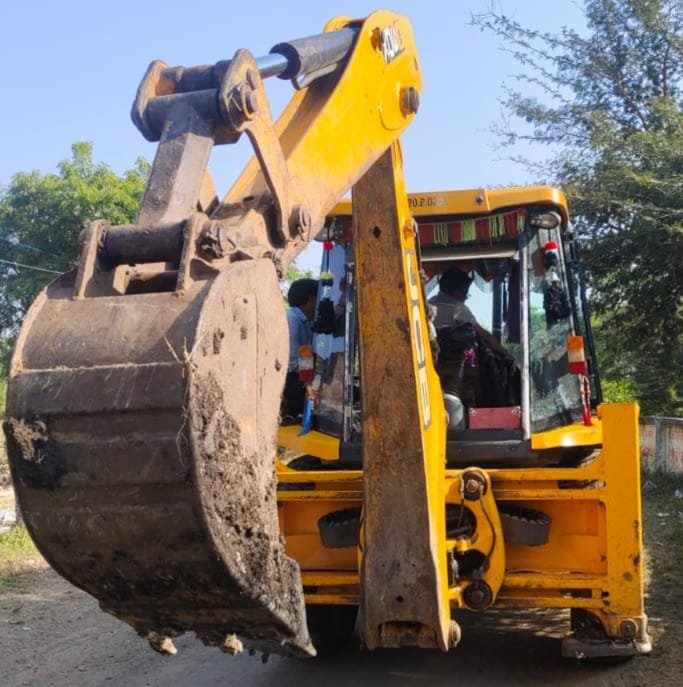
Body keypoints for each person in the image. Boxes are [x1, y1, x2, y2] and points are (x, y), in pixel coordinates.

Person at [429, 266, 513, 428]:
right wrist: (506, 353)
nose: (466, 297)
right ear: (455, 291)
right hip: (455, 373)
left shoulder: (429, 305)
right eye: (465, 293)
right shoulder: (458, 308)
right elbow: (484, 335)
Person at [282, 278, 319, 419]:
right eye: (317, 298)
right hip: (292, 380)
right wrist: (312, 379)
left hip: (302, 377)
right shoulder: (292, 319)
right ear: (310, 299)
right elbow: (292, 358)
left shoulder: (306, 321)